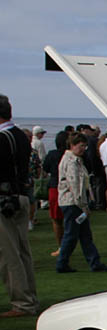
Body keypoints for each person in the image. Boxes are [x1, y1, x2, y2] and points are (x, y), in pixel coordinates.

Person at [0, 94, 40, 317]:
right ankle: (29, 297)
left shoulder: (3, 139)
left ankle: (22, 302)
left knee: (9, 255)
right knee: (23, 252)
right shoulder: (20, 136)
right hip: (20, 197)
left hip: (5, 199)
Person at [56, 131, 107, 273]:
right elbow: (76, 186)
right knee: (72, 235)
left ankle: (94, 262)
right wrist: (84, 206)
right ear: (72, 145)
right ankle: (62, 263)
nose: (83, 149)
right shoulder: (71, 161)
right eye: (81, 146)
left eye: (85, 146)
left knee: (83, 234)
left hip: (73, 202)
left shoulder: (74, 159)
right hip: (72, 203)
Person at [42, 131, 67, 257]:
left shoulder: (52, 154)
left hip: (55, 187)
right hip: (66, 187)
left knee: (56, 219)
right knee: (68, 218)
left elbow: (45, 168)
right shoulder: (69, 155)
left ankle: (61, 246)